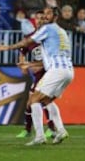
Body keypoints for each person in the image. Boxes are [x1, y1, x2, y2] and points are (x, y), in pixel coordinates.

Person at [0, 7, 74, 145]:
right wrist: (30, 65)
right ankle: (61, 130)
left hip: (56, 70)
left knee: (33, 99)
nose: (45, 17)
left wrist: (8, 48)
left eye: (48, 14)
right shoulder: (62, 32)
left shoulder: (48, 28)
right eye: (44, 14)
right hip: (68, 70)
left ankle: (39, 136)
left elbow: (27, 42)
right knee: (46, 100)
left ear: (56, 17)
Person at [15, 11, 56, 139]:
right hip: (38, 74)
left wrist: (34, 65)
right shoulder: (31, 38)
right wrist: (23, 66)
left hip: (49, 72)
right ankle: (43, 129)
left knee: (38, 99)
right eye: (37, 19)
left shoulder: (50, 36)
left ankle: (45, 129)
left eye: (42, 18)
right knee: (35, 100)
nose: (39, 21)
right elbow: (22, 52)